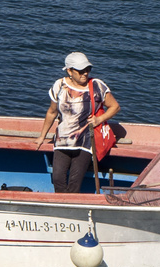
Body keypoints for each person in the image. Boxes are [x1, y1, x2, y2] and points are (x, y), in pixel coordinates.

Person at [34, 51, 121, 194]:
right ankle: (62, 207)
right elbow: (52, 112)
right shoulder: (59, 85)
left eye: (88, 69)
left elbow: (115, 107)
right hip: (62, 140)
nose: (85, 74)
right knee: (57, 179)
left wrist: (99, 119)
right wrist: (42, 136)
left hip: (85, 142)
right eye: (80, 71)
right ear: (69, 71)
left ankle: (69, 209)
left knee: (75, 182)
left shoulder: (97, 86)